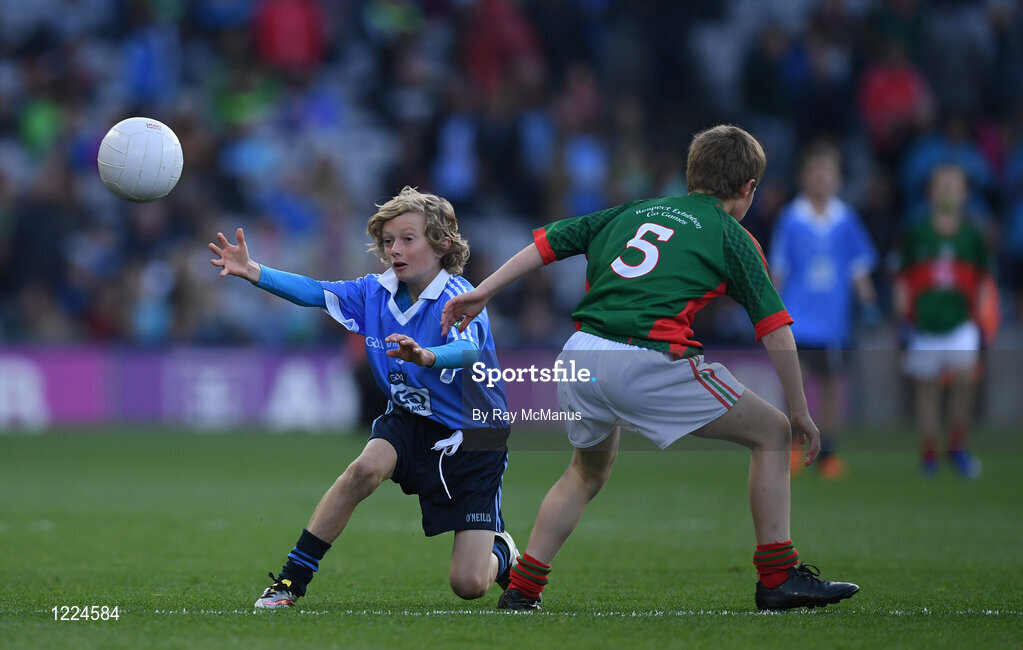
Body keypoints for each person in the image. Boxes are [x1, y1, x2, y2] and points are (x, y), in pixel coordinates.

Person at [441, 125, 860, 611]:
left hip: (580, 353)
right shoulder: (732, 234)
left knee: (584, 472)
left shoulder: (632, 210)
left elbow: (549, 243)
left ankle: (522, 589)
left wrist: (484, 290)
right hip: (644, 357)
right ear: (748, 189)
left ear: (691, 173)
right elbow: (775, 327)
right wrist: (802, 412)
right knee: (772, 432)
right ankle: (779, 577)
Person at [209, 186, 518, 608]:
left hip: (474, 434)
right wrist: (255, 271)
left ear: (442, 244)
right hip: (411, 417)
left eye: (408, 238)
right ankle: (290, 583)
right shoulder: (374, 292)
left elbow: (468, 351)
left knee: (469, 585)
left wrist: (427, 355)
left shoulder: (459, 297)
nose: (395, 249)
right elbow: (315, 291)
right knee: (363, 471)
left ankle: (503, 553)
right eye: (389, 240)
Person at [770, 141, 880, 480]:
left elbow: (858, 268)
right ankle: (791, 448)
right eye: (815, 172)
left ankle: (828, 453)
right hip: (798, 320)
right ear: (804, 178)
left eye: (827, 173)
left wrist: (869, 303)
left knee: (833, 386)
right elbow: (778, 268)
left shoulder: (846, 220)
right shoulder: (791, 219)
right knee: (795, 385)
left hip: (833, 323)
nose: (821, 179)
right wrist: (769, 309)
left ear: (838, 179)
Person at [893, 164, 995, 479]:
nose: (949, 190)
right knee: (928, 390)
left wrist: (981, 318)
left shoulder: (973, 235)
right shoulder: (917, 232)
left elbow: (982, 281)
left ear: (965, 193)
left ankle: (957, 446)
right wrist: (902, 313)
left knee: (965, 381)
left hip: (961, 322)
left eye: (955, 184)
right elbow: (903, 277)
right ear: (931, 193)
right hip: (924, 324)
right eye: (942, 184)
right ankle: (929, 455)